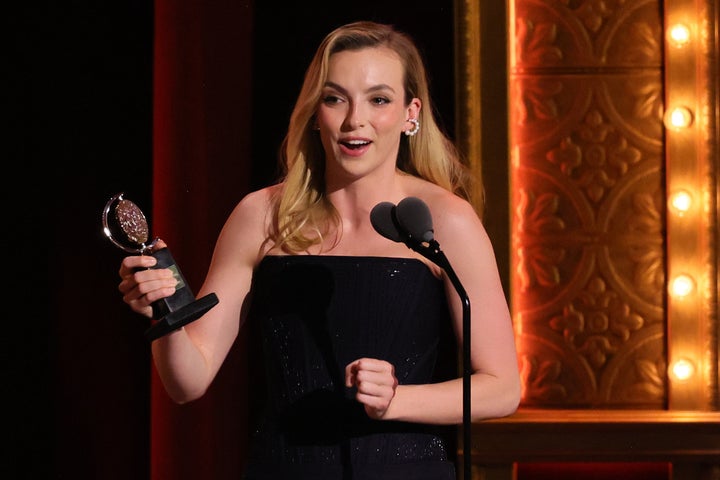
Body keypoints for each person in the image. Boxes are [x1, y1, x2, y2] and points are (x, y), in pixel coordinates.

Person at [117, 20, 521, 480]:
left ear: (411, 113)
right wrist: (164, 310)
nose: (355, 120)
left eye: (378, 99)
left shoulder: (444, 221)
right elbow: (188, 382)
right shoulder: (261, 216)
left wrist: (397, 400)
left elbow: (503, 388)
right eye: (335, 98)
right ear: (315, 111)